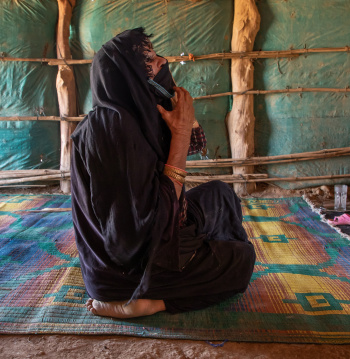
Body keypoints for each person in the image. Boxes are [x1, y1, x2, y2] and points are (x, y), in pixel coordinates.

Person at [70, 28, 256, 318]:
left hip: (152, 230)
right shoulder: (113, 131)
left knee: (221, 195)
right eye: (149, 61)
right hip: (126, 272)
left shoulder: (135, 116)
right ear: (129, 76)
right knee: (240, 261)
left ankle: (193, 255)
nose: (163, 62)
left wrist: (179, 114)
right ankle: (148, 303)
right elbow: (139, 232)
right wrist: (180, 134)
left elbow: (199, 144)